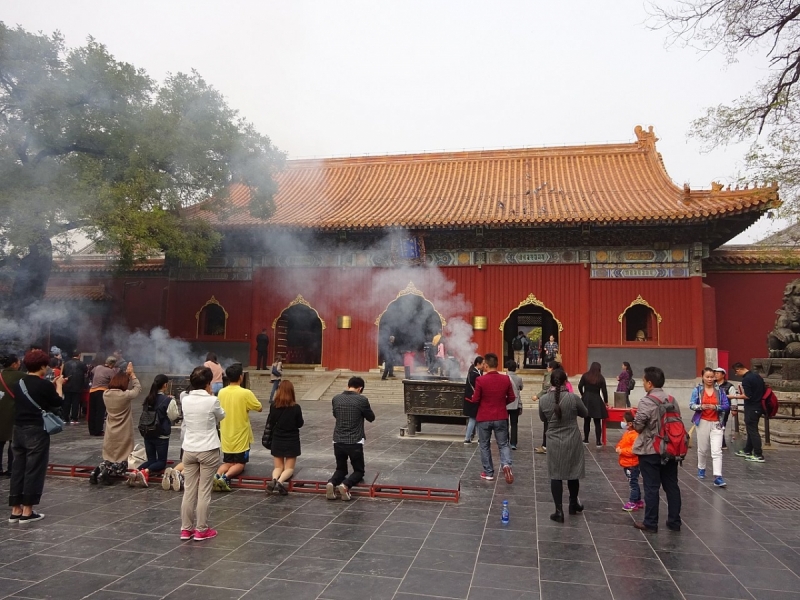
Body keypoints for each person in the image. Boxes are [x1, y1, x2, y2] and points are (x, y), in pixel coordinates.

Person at [8, 350, 65, 523]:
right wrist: (59, 385)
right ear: (41, 366)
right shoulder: (44, 385)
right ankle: (27, 510)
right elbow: (58, 402)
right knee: (34, 468)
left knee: (18, 468)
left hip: (17, 429)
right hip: (36, 430)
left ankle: (15, 509)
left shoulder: (18, 384)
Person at [632, 366, 682, 533]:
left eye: (644, 381)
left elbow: (639, 425)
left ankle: (651, 522)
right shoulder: (672, 399)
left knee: (651, 487)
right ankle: (674, 521)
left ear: (650, 383)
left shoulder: (647, 401)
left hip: (651, 449)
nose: (643, 384)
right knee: (672, 485)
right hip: (671, 448)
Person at [181, 366, 225, 541]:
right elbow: (221, 416)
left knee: (189, 490)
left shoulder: (185, 399)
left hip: (189, 448)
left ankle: (186, 529)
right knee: (204, 491)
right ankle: (201, 529)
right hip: (208, 448)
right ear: (208, 383)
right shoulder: (212, 401)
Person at [539, 368, 587, 523]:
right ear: (566, 381)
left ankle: (558, 510)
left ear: (550, 381)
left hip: (553, 440)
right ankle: (573, 503)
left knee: (556, 474)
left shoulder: (544, 400)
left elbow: (543, 418)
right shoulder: (573, 398)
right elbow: (585, 413)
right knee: (573, 472)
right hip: (572, 438)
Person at [90, 363, 142, 485]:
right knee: (122, 457)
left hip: (110, 427)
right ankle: (108, 473)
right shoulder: (125, 395)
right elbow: (138, 388)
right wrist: (132, 374)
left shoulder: (106, 394)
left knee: (110, 454)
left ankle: (99, 470)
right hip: (123, 428)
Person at [325, 376, 375, 501]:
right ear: (360, 388)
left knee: (341, 469)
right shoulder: (361, 400)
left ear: (349, 385)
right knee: (359, 471)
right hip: (354, 441)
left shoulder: (336, 399)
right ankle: (345, 485)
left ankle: (331, 483)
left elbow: (336, 415)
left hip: (338, 439)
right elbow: (371, 417)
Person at [214, 363, 262, 492]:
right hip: (241, 433)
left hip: (226, 432)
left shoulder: (221, 392)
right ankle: (225, 478)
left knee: (228, 462)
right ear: (240, 377)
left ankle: (217, 475)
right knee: (240, 464)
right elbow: (259, 407)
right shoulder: (245, 393)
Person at [472, 353, 516, 484]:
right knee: (503, 444)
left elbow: (475, 399)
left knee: (485, 445)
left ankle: (489, 472)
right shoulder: (505, 379)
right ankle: (506, 465)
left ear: (486, 365)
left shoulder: (480, 380)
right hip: (501, 416)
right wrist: (502, 404)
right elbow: (512, 397)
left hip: (484, 416)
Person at [129, 374, 174, 487]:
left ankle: (135, 472)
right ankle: (145, 472)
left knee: (151, 459)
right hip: (161, 434)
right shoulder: (167, 400)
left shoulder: (148, 398)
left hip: (148, 432)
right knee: (161, 462)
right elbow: (173, 416)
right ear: (165, 385)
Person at [689, 367, 730, 488]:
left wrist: (716, 407)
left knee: (717, 450)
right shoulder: (698, 390)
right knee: (702, 448)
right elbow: (691, 405)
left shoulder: (720, 391)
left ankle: (718, 476)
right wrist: (701, 406)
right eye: (707, 376)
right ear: (703, 377)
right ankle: (701, 468)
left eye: (712, 377)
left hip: (717, 422)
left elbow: (726, 405)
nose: (710, 379)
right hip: (702, 421)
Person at [267, 380, 304, 495]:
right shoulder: (296, 408)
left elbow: (271, 422)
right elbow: (300, 424)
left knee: (278, 467)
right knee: (289, 468)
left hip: (277, 438)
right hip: (291, 440)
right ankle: (281, 481)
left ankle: (273, 479)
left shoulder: (273, 406)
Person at [532, 360, 574, 454]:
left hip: (551, 402)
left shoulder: (550, 376)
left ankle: (546, 446)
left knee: (548, 425)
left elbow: (546, 389)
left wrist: (538, 396)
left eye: (548, 367)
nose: (547, 368)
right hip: (563, 402)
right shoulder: (563, 378)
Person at [731, 362, 766, 462]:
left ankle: (758, 454)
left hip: (752, 407)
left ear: (738, 370)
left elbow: (747, 395)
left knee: (753, 431)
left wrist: (733, 396)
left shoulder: (746, 379)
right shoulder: (757, 376)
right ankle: (748, 450)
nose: (737, 375)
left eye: (736, 373)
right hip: (759, 406)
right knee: (751, 430)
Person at [0, 354, 24, 477]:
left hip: (0, 412)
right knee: (13, 442)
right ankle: (11, 468)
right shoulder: (21, 376)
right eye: (18, 362)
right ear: (14, 364)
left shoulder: (0, 375)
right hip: (14, 412)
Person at [616, 411, 643, 511]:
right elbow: (622, 442)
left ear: (630, 423)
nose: (622, 422)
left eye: (624, 420)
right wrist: (619, 447)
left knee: (633, 483)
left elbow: (633, 450)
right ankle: (638, 500)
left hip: (632, 463)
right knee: (633, 481)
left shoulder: (634, 435)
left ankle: (633, 501)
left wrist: (621, 451)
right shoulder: (628, 433)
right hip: (627, 462)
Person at [578, 362, 609, 447]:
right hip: (596, 399)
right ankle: (598, 441)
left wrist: (583, 394)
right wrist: (606, 401)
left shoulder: (585, 376)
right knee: (597, 421)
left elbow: (580, 386)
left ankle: (586, 439)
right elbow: (604, 391)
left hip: (586, 398)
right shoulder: (600, 378)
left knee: (586, 420)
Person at [88, 356, 118, 436]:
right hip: (102, 391)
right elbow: (114, 382)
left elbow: (92, 372)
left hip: (92, 391)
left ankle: (92, 430)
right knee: (100, 412)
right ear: (112, 364)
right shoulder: (110, 371)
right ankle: (98, 430)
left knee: (92, 411)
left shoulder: (98, 367)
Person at [61, 351, 87, 425]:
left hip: (67, 386)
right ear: (79, 355)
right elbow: (86, 372)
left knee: (67, 402)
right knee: (75, 403)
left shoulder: (66, 364)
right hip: (78, 386)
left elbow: (63, 374)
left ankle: (65, 417)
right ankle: (74, 418)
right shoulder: (82, 364)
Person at [463, 356, 484, 444]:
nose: (484, 365)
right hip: (473, 400)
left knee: (475, 419)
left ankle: (475, 438)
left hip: (472, 399)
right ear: (478, 364)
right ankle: (468, 438)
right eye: (483, 363)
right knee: (473, 419)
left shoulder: (475, 372)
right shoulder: (474, 374)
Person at [714, 367, 735, 449]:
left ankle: (722, 443)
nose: (716, 375)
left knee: (721, 424)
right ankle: (719, 442)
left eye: (718, 373)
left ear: (723, 375)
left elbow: (733, 398)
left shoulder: (729, 386)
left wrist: (734, 409)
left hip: (724, 409)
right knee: (715, 424)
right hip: (714, 408)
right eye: (715, 373)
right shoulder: (712, 384)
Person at [505, 360, 523, 450]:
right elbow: (521, 388)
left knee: (505, 423)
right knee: (514, 424)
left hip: (506, 403)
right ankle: (513, 443)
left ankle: (505, 440)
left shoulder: (504, 377)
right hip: (515, 403)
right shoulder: (519, 379)